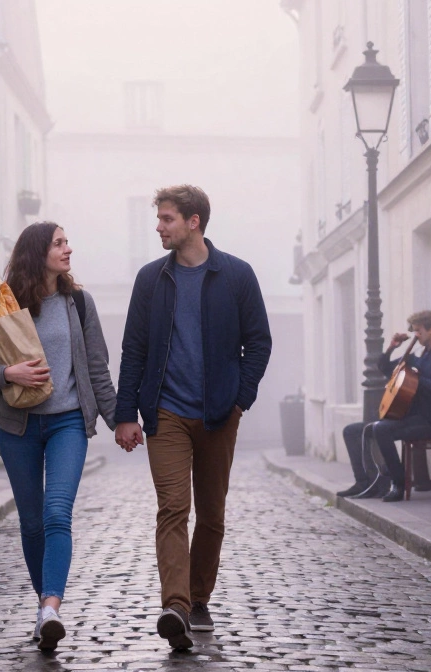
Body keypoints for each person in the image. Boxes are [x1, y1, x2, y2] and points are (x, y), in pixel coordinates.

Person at [114, 184, 272, 650]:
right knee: (172, 508)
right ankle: (176, 607)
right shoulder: (150, 279)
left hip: (220, 413)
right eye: (159, 219)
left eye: (166, 219)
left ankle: (200, 597)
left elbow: (258, 342)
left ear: (193, 222)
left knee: (213, 515)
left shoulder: (237, 275)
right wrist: (127, 413)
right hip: (165, 413)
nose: (158, 227)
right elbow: (134, 350)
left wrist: (240, 397)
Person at [0, 221, 117, 653]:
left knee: (57, 514)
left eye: (68, 241)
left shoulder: (79, 303)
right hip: (18, 429)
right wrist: (8, 373)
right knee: (32, 524)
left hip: (67, 423)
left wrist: (119, 420)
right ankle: (43, 607)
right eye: (59, 243)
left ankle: (51, 607)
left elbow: (97, 368)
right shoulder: (7, 304)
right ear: (38, 252)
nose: (68, 249)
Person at [336, 310, 431, 503]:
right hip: (408, 417)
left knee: (382, 430)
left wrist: (415, 376)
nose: (415, 336)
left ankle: (398, 484)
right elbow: (384, 368)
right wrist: (392, 348)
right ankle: (364, 482)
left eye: (418, 331)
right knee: (351, 431)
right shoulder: (420, 355)